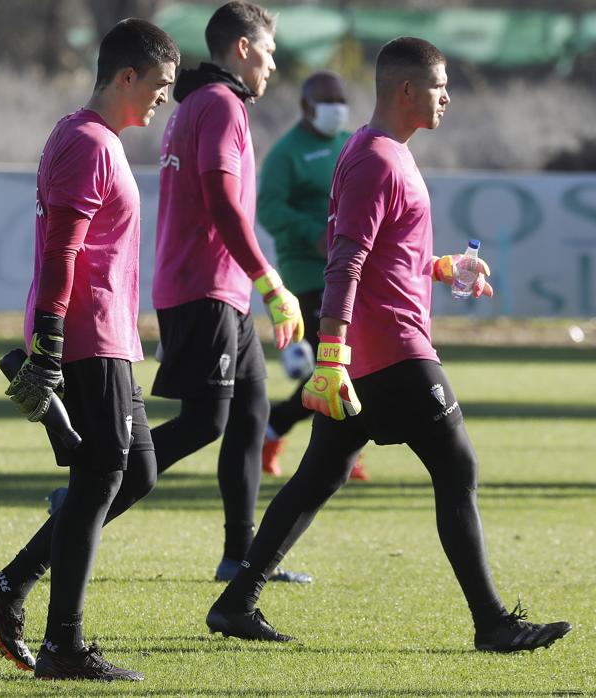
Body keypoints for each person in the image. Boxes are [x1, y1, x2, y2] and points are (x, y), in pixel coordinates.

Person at [205, 37, 572, 653]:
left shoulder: (380, 152)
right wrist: (332, 355)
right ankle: (492, 623)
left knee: (318, 477)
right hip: (392, 352)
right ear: (406, 91)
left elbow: (386, 254)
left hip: (370, 353)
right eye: (438, 86)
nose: (446, 96)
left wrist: (443, 267)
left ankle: (236, 601)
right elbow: (346, 263)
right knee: (458, 467)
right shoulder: (378, 158)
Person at [0, 20, 179, 681]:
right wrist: (51, 343)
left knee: (132, 470)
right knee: (98, 479)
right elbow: (63, 248)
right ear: (125, 77)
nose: (163, 100)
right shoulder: (87, 143)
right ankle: (63, 645)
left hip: (106, 335)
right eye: (160, 85)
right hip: (87, 335)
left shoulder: (95, 140)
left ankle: (9, 587)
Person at [150, 1, 310, 585]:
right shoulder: (219, 105)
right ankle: (90, 485)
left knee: (250, 413)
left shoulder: (199, 103)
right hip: (206, 287)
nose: (272, 64)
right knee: (205, 422)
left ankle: (239, 558)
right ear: (243, 48)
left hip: (221, 289)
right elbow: (220, 204)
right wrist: (273, 284)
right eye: (268, 51)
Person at [256, 70, 367, 481]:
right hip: (308, 275)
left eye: (342, 102)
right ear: (306, 106)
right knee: (333, 365)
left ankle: (280, 431)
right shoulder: (287, 153)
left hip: (352, 270)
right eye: (327, 102)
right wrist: (312, 233)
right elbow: (268, 208)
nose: (337, 111)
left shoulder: (350, 142)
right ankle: (286, 434)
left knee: (349, 365)